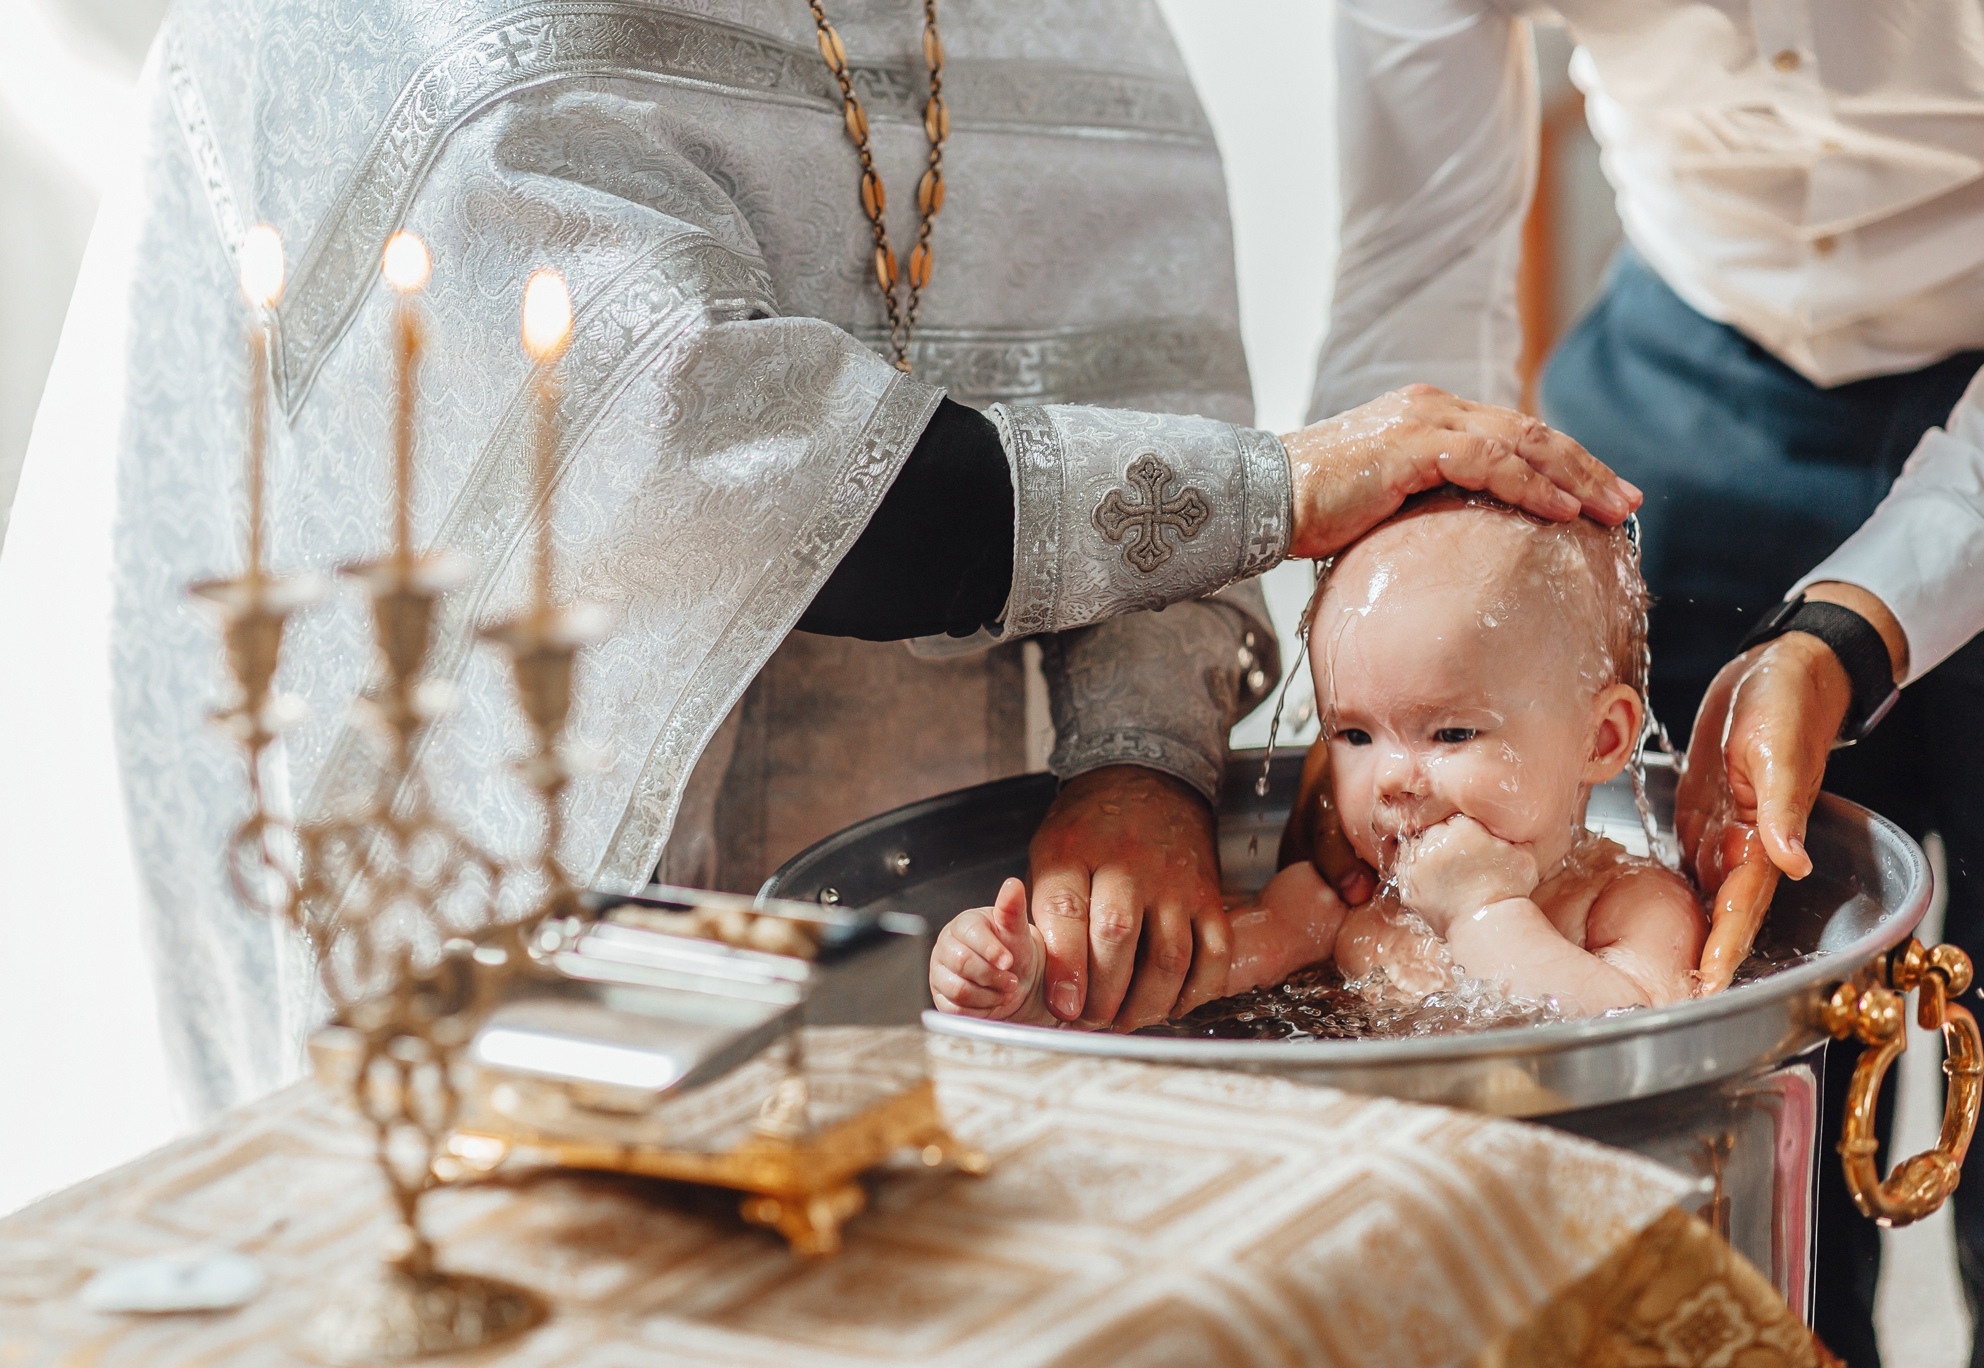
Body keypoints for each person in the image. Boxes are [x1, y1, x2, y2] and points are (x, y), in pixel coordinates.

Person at [101, 0, 1635, 1121]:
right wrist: (1275, 489)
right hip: (522, 827)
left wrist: (1143, 759)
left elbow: (1145, 363)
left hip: (944, 876)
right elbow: (666, 456)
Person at [1311, 3, 1984, 1357]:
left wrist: (1847, 632)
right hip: (1683, 370)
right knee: (1721, 1213)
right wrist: (1404, 656)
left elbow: (1638, 998)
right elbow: (1419, 251)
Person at [933, 492, 1703, 1027]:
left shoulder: (1629, 903)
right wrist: (1038, 982)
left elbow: (1638, 1034)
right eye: (1355, 736)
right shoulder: (1338, 905)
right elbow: (1178, 986)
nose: (1392, 779)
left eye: (1451, 735)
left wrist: (1483, 915)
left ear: (1601, 740)